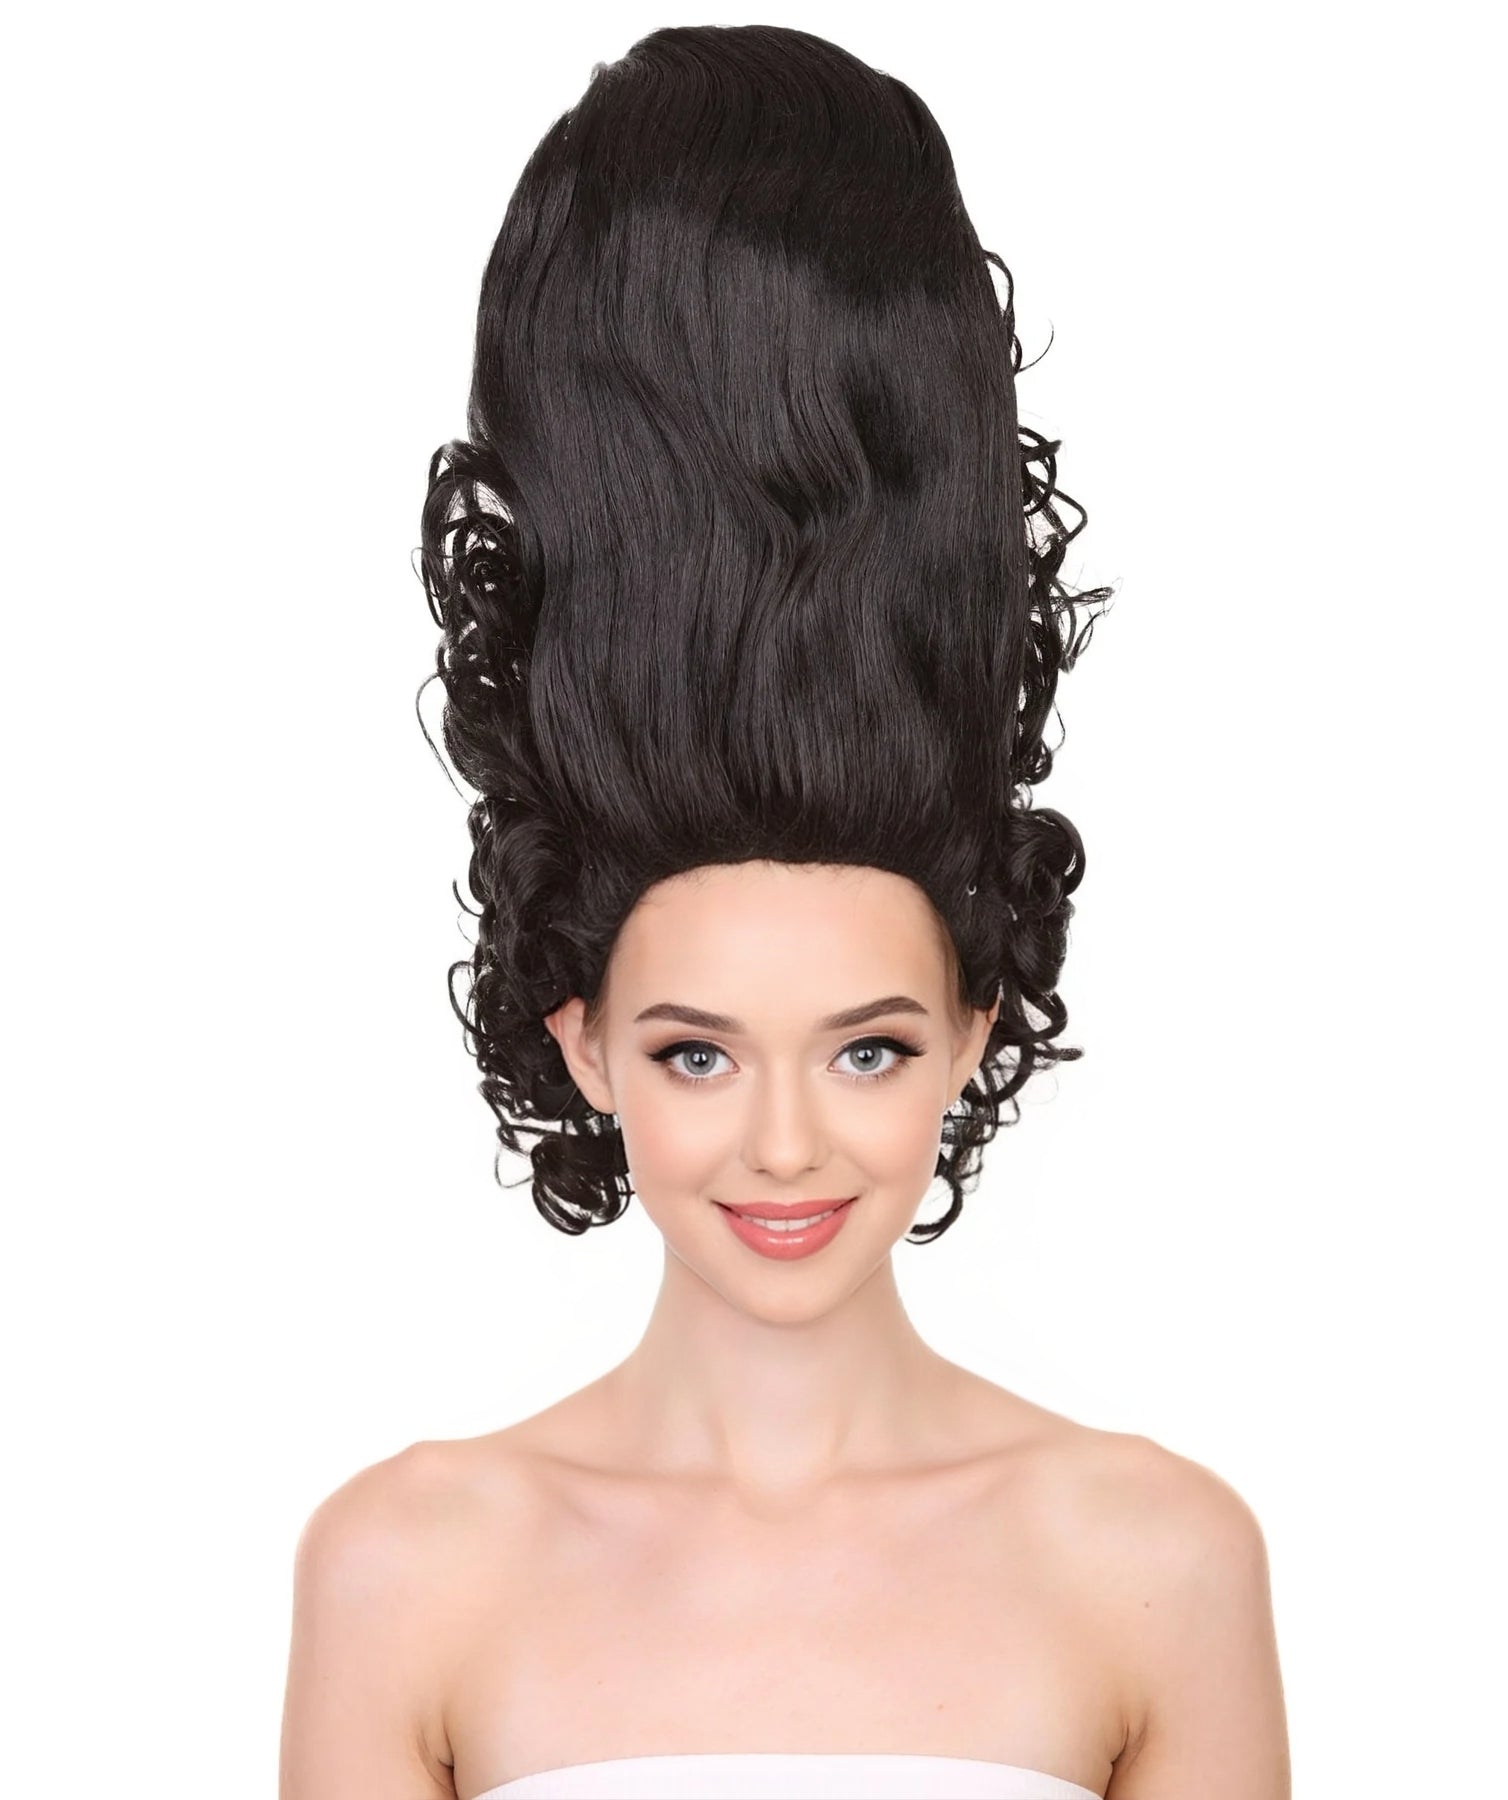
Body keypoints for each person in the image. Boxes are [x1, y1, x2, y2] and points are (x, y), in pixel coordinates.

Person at [279, 24, 1290, 1800]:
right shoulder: (407, 1572)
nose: (785, 1145)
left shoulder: (1157, 1565)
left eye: (868, 1049)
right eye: (696, 1052)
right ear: (582, 1044)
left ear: (974, 1031)